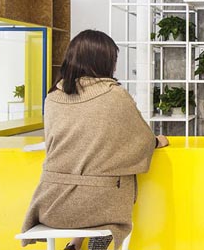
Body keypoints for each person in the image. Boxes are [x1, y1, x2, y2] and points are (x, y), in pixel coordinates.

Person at [21, 30, 168, 250]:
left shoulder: (52, 97)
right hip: (99, 208)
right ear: (103, 61)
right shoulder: (114, 95)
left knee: (91, 168)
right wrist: (157, 141)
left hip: (50, 205)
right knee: (115, 176)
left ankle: (75, 244)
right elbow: (142, 139)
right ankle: (98, 243)